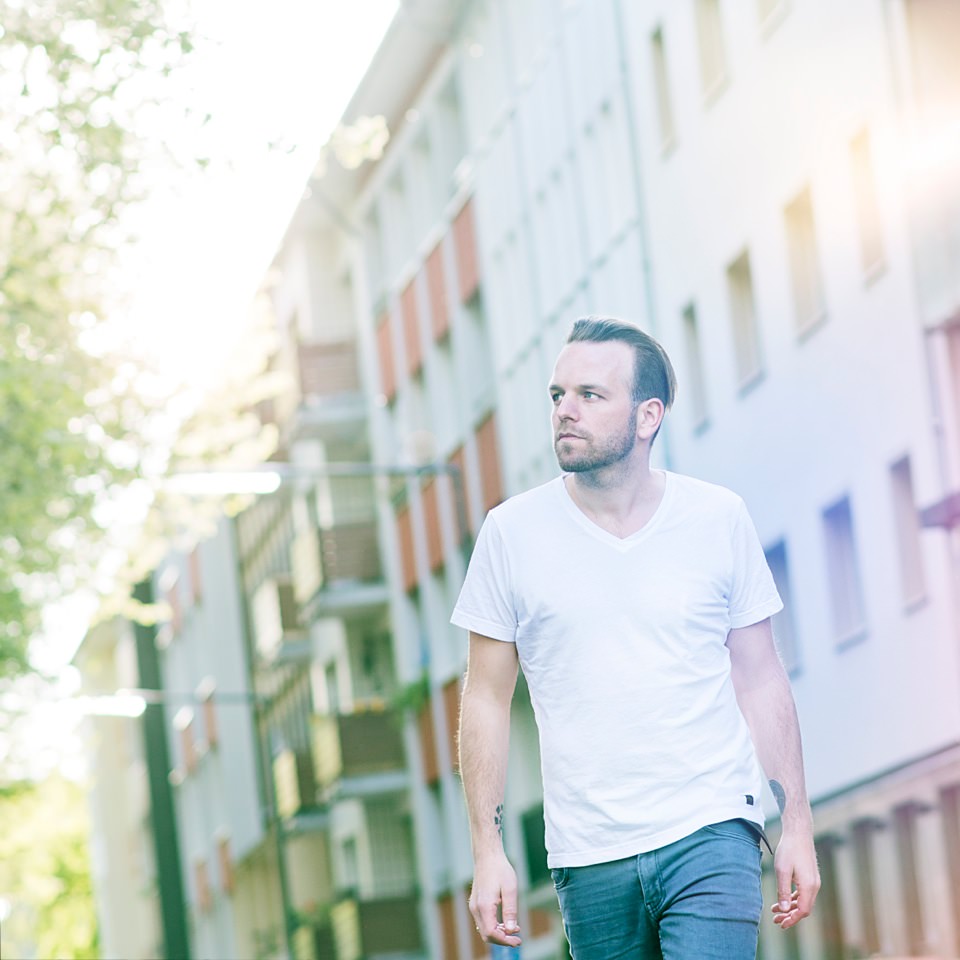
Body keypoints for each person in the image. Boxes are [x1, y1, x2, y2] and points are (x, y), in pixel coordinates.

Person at [452, 316, 820, 959]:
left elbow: (761, 677)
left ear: (648, 416)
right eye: (557, 395)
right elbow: (484, 698)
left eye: (589, 395)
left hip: (710, 830)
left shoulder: (717, 518)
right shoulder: (510, 534)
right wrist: (487, 851)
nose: (565, 411)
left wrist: (797, 825)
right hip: (588, 855)